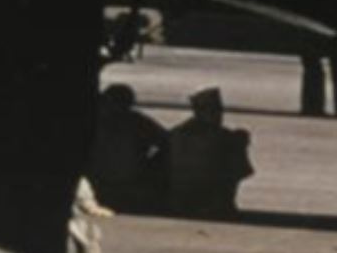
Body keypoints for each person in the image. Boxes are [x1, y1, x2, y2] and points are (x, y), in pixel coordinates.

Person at [163, 86, 254, 219]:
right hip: (197, 193)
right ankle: (218, 203)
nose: (219, 116)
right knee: (236, 145)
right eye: (214, 111)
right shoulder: (220, 136)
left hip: (180, 196)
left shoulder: (178, 132)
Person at [85, 82, 170, 214]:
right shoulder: (136, 122)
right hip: (110, 183)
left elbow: (167, 142)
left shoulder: (137, 122)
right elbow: (166, 141)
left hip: (122, 183)